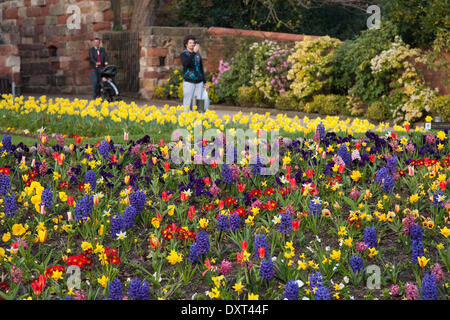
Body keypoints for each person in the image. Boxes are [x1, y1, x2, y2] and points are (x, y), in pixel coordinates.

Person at [180, 35, 209, 111]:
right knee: (187, 103)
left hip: (199, 82)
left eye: (193, 43)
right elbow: (186, 64)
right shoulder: (184, 54)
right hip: (189, 82)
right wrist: (193, 53)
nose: (192, 44)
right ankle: (186, 120)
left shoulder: (198, 55)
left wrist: (204, 81)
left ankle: (198, 121)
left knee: (199, 103)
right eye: (190, 43)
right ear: (186, 44)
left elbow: (200, 68)